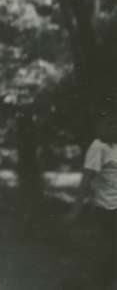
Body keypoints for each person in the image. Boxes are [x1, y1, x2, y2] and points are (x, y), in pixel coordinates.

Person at [70, 111, 117, 288]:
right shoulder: (98, 147)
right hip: (106, 208)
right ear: (99, 126)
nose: (112, 127)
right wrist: (76, 210)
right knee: (108, 253)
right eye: (108, 123)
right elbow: (86, 180)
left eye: (115, 123)